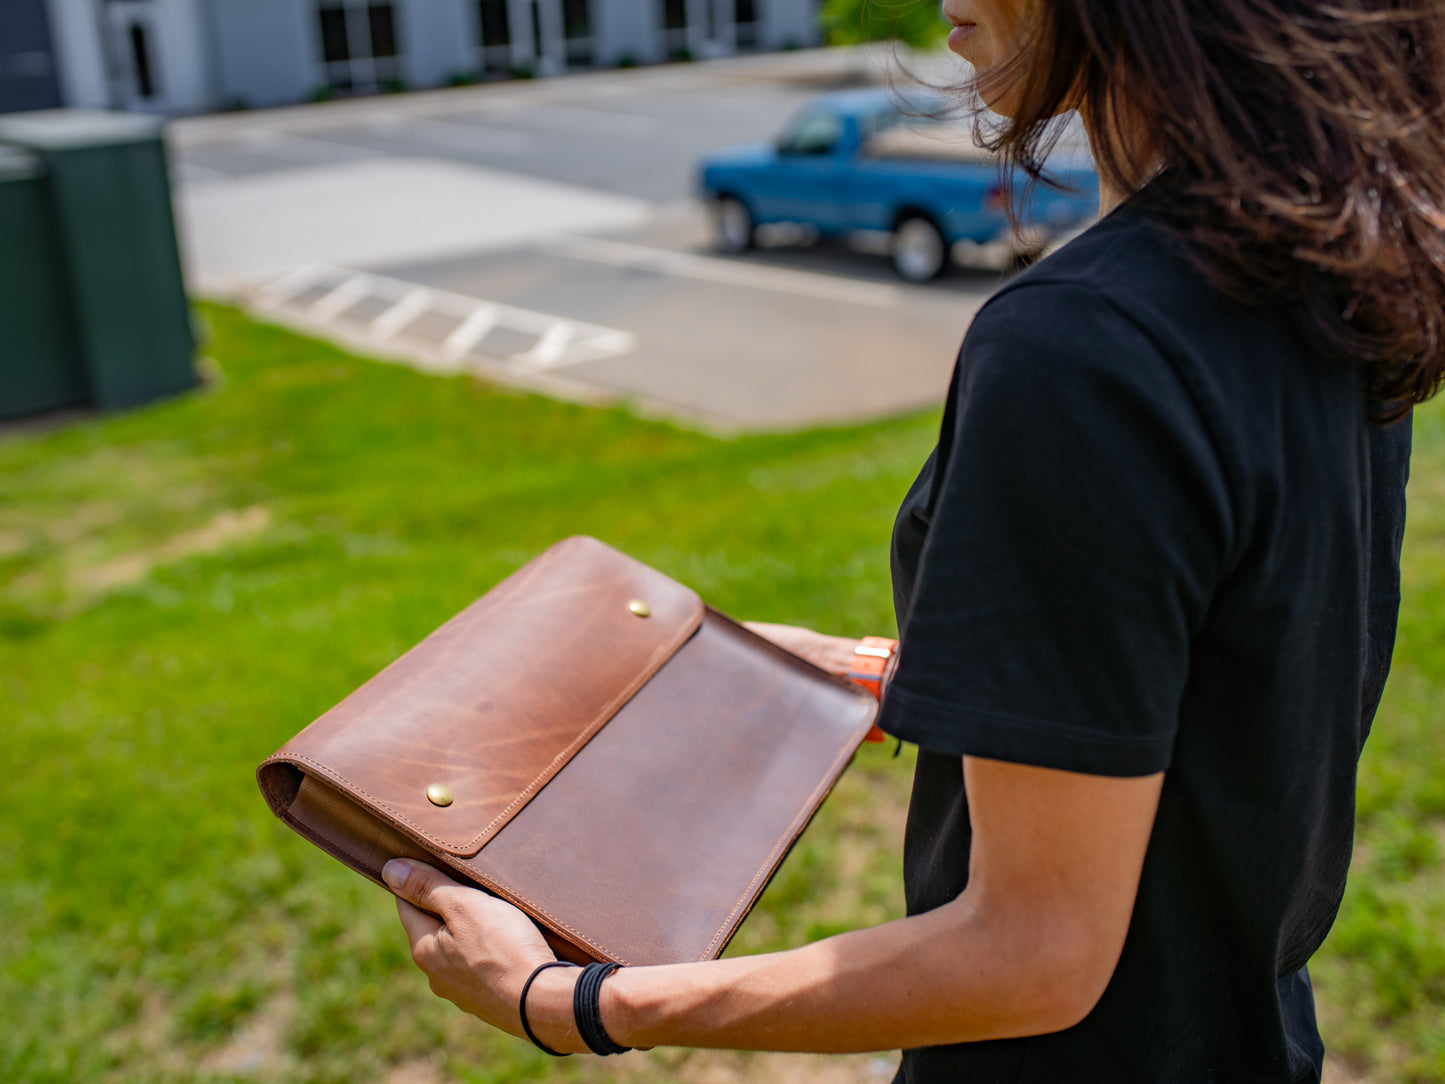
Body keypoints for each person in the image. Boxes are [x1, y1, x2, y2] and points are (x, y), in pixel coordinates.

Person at [380, 1, 1442, 1079]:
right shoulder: (1336, 267)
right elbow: (1231, 672)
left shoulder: (1083, 350)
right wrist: (891, 676)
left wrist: (570, 1000)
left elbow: (1033, 953)